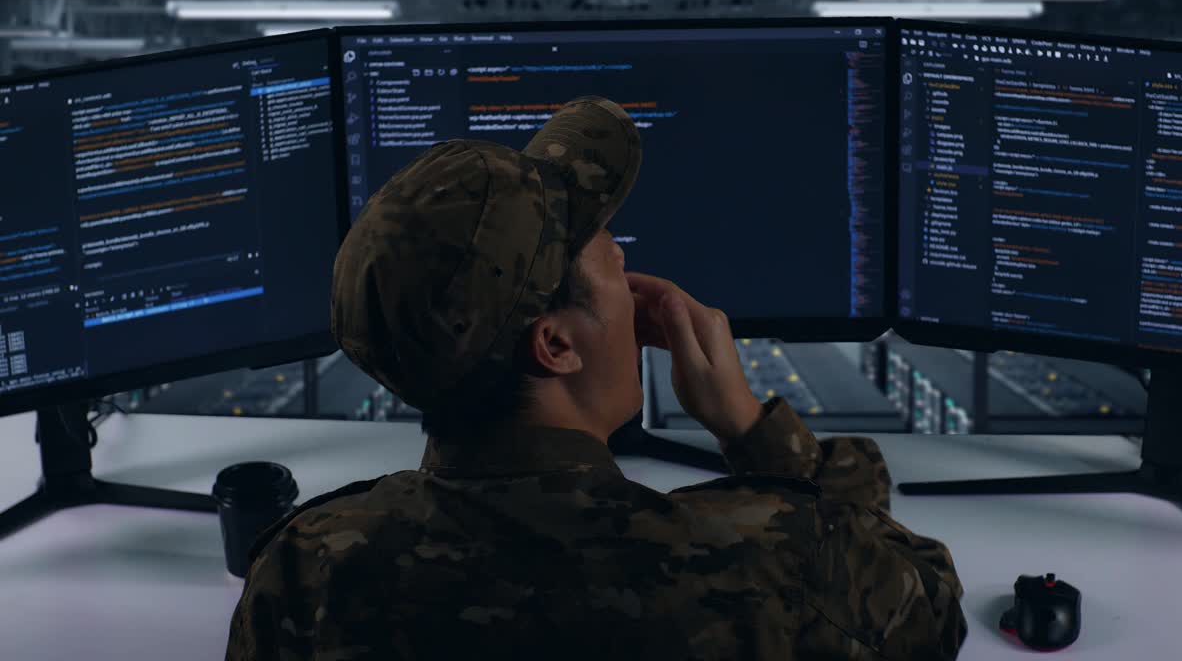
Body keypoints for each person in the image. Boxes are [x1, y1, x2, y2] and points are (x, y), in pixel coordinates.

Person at [225, 96, 967, 660]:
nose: (637, 283)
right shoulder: (774, 557)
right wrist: (751, 428)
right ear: (555, 346)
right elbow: (930, 608)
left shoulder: (303, 572)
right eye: (615, 266)